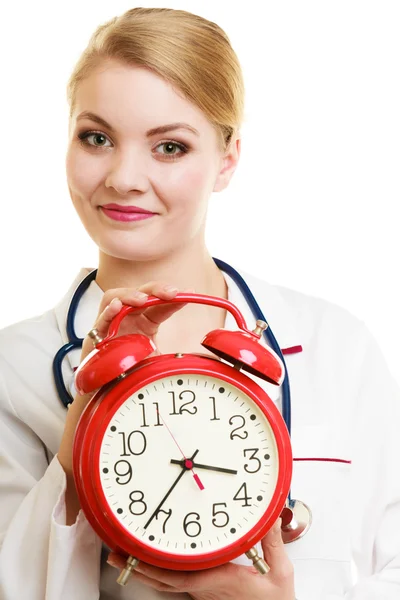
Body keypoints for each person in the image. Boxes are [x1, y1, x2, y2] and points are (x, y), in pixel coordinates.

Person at [0, 6, 399, 600]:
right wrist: (76, 453)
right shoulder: (16, 367)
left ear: (228, 157)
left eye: (169, 147)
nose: (124, 177)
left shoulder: (337, 346)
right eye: (97, 137)